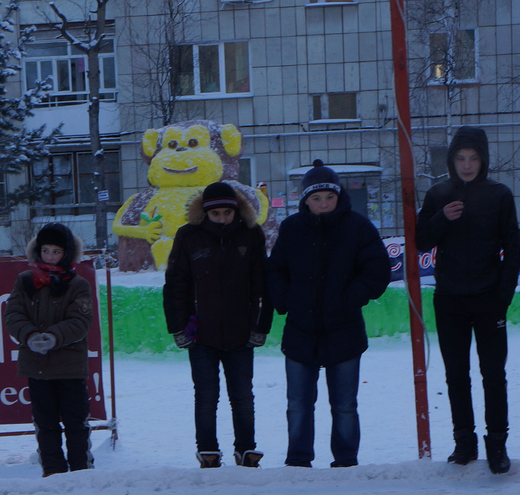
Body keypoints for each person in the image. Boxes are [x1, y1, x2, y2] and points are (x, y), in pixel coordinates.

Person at [266, 161, 392, 467]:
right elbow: (275, 271)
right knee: (298, 404)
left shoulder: (358, 227)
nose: (323, 204)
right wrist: (286, 301)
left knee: (345, 405)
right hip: (300, 330)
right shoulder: (292, 229)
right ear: (305, 201)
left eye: (329, 197)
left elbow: (377, 271)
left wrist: (350, 298)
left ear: (339, 197)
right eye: (316, 198)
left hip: (344, 330)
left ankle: (346, 459)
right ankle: (298, 459)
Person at [416, 126, 520, 473]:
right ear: (451, 160)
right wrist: (441, 218)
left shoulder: (499, 195)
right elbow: (420, 241)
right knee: (456, 374)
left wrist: (503, 296)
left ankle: (497, 444)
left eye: (473, 158)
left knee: (493, 374)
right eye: (460, 158)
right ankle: (464, 442)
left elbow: (512, 250)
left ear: (483, 159)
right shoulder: (438, 194)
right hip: (449, 300)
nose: (466, 165)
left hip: (489, 298)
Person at [163, 180, 272, 468]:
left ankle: (246, 448)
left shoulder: (251, 235)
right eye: (216, 214)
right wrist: (178, 326)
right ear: (206, 213)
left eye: (227, 212)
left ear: (236, 211)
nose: (222, 218)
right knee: (206, 395)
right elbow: (176, 285)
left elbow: (262, 284)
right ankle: (208, 449)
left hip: (241, 332)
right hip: (201, 334)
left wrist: (260, 326)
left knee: (242, 395)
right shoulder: (188, 236)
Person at [4, 223, 98, 476]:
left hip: (70, 367)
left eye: (56, 252)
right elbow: (13, 314)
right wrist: (31, 336)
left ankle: (81, 470)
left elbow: (81, 321)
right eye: (45, 251)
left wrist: (53, 337)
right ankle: (53, 471)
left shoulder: (78, 284)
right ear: (37, 251)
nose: (50, 257)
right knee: (45, 424)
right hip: (38, 367)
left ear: (66, 254)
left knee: (76, 422)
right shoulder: (25, 281)